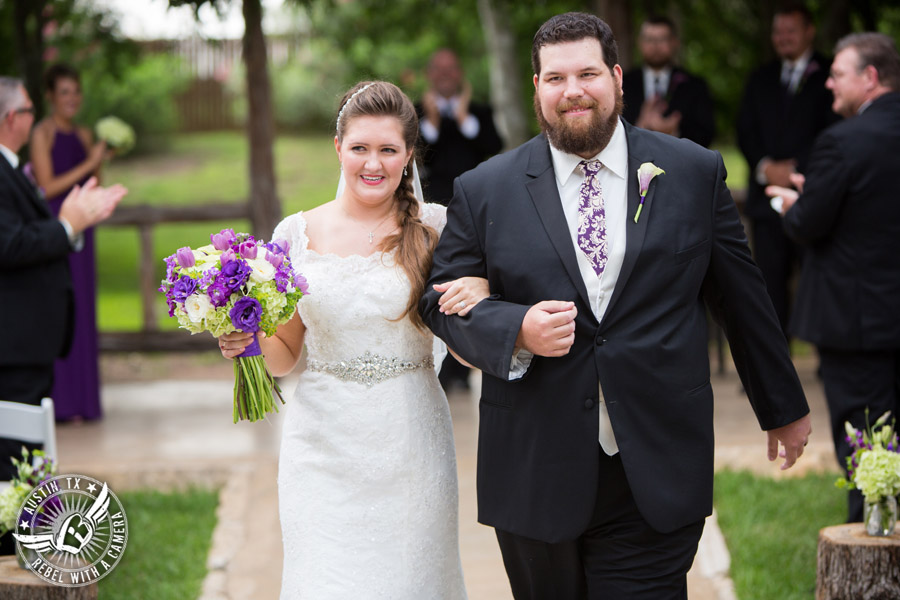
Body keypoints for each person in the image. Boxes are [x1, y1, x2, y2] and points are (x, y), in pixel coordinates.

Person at [420, 13, 811, 598]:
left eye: (587, 73)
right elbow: (439, 301)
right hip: (535, 467)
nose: (572, 91)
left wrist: (781, 404)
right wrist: (516, 328)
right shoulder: (485, 188)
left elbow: (740, 296)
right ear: (536, 89)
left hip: (656, 457)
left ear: (618, 79)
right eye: (555, 78)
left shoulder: (692, 172)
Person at [218, 81, 487, 598]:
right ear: (337, 147)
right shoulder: (295, 233)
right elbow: (285, 356)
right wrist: (248, 341)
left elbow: (462, 343)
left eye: (388, 150)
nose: (373, 163)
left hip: (411, 444)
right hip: (320, 450)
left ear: (409, 154)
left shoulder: (437, 228)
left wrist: (481, 300)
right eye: (360, 147)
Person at [767, 33, 900, 523]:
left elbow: (807, 224)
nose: (828, 82)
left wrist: (795, 203)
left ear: (869, 78)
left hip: (856, 321)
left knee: (867, 447)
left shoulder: (842, 141)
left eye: (838, 73)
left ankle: (873, 549)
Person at [0, 78, 125, 484]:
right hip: (12, 340)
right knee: (12, 449)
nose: (34, 119)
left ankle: (22, 521)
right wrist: (66, 225)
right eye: (31, 110)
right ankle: (12, 529)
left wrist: (69, 223)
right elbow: (10, 244)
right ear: (10, 118)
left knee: (26, 446)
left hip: (26, 339)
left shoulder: (10, 167)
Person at [737, 2, 837, 335]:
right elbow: (745, 130)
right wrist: (766, 167)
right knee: (768, 281)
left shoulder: (829, 75)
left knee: (818, 275)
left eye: (791, 31)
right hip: (766, 199)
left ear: (809, 32)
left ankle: (826, 356)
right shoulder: (760, 77)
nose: (783, 38)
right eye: (778, 31)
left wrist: (795, 168)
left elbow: (833, 130)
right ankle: (777, 362)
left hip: (812, 195)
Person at [417, 48, 503, 392]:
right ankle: (442, 365)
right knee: (436, 278)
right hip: (434, 205)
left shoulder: (479, 110)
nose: (445, 74)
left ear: (460, 71)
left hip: (474, 208)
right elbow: (415, 153)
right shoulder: (419, 110)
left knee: (468, 278)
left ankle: (463, 369)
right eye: (438, 69)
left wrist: (464, 116)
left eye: (451, 68)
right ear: (429, 74)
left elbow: (493, 144)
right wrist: (434, 122)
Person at [29, 63, 109, 423]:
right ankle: (59, 403)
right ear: (50, 96)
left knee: (83, 309)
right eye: (64, 92)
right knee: (59, 308)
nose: (72, 98)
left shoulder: (84, 134)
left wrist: (99, 162)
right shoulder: (41, 134)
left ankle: (84, 403)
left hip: (84, 232)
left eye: (76, 91)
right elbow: (46, 187)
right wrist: (89, 163)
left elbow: (96, 182)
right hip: (56, 228)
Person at [622, 16, 715, 147]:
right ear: (640, 43)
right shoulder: (622, 83)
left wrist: (674, 132)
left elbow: (706, 133)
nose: (655, 46)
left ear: (675, 42)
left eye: (662, 39)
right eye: (649, 39)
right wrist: (639, 126)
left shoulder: (695, 86)